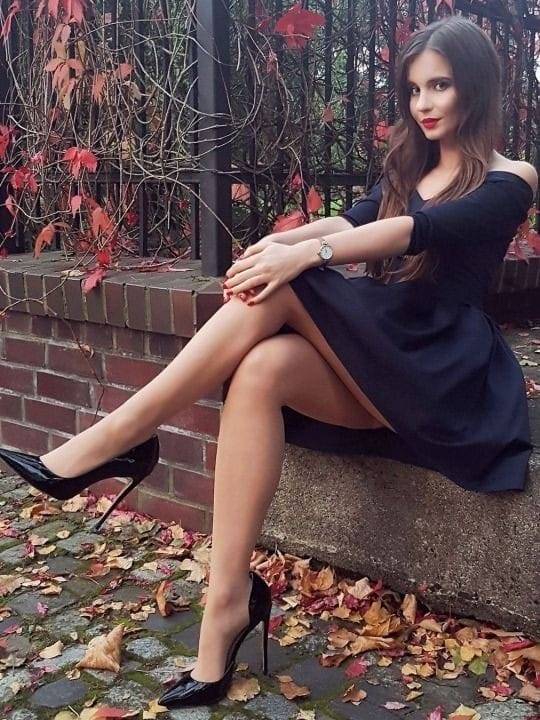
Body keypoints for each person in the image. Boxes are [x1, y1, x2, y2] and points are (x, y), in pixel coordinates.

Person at [0, 14, 537, 709]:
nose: (423, 104)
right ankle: (227, 603)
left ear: (476, 86)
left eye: (440, 85)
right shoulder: (413, 166)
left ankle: (118, 439)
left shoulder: (512, 177)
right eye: (413, 90)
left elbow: (416, 231)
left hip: (440, 371)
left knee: (291, 284)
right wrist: (279, 243)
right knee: (260, 369)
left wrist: (304, 256)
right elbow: (353, 220)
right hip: (387, 360)